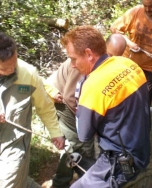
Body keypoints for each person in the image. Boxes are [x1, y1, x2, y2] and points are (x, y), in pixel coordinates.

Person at [60, 25, 151, 188]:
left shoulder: (92, 85)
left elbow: (84, 135)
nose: (72, 65)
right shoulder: (128, 64)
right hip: (141, 148)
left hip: (120, 161)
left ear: (88, 54)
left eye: (73, 58)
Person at [42, 33, 127, 188]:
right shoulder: (82, 65)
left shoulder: (103, 64)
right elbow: (70, 97)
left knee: (78, 145)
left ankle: (70, 178)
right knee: (81, 144)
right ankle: (64, 182)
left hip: (73, 100)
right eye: (111, 55)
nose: (112, 61)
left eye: (117, 57)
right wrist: (88, 122)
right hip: (62, 101)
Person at [0, 32, 65, 188]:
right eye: (5, 68)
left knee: (7, 183)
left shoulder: (28, 73)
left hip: (14, 142)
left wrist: (56, 132)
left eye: (14, 63)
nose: (12, 69)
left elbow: (45, 106)